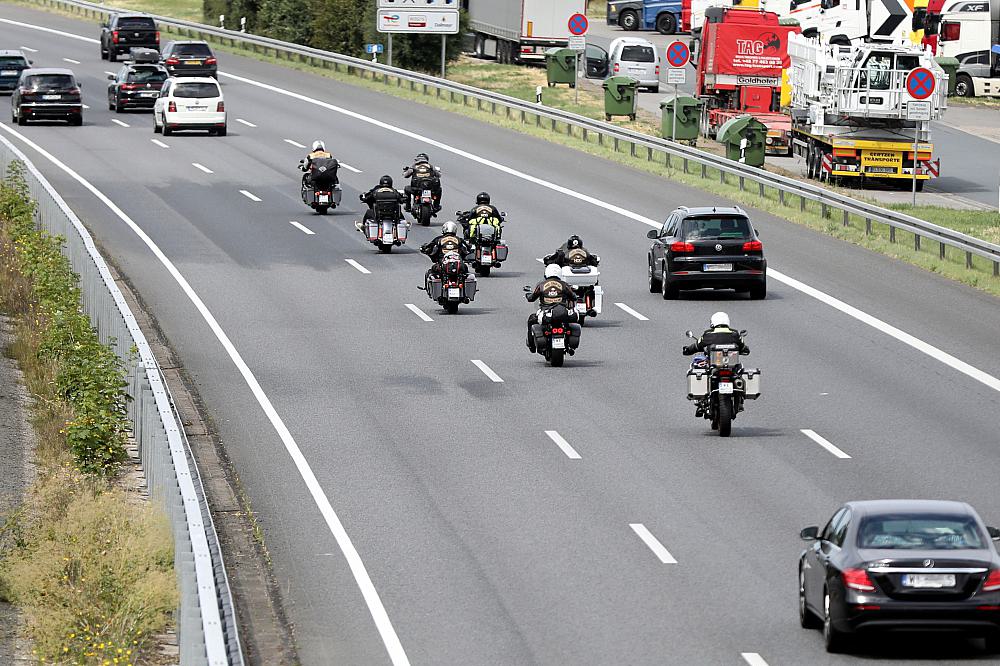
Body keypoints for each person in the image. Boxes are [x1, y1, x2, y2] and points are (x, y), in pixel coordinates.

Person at [525, 264, 578, 352]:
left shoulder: (541, 285)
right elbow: (573, 297)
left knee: (531, 320)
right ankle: (569, 344)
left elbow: (531, 298)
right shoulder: (564, 285)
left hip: (546, 313)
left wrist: (528, 295)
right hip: (562, 312)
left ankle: (532, 346)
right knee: (571, 320)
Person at [682, 312, 750, 357]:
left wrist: (688, 350)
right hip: (731, 367)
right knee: (739, 367)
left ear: (713, 322)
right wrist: (746, 349)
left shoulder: (708, 334)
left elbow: (697, 346)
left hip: (713, 366)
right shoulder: (735, 333)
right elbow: (743, 347)